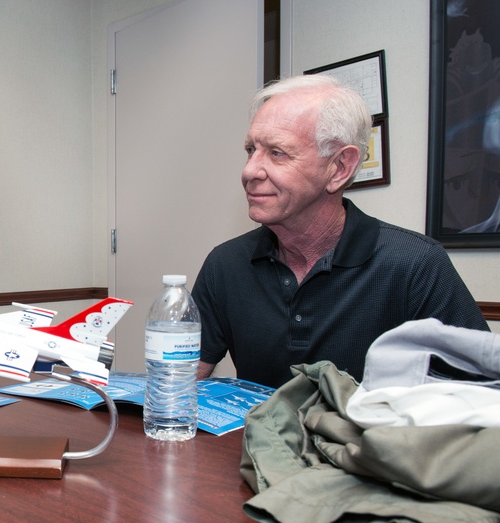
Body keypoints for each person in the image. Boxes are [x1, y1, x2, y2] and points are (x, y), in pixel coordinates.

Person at [191, 74, 488, 389]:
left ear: (340, 168)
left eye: (277, 153)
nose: (249, 171)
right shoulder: (225, 264)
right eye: (252, 150)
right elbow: (177, 384)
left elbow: (480, 394)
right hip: (259, 437)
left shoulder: (415, 265)